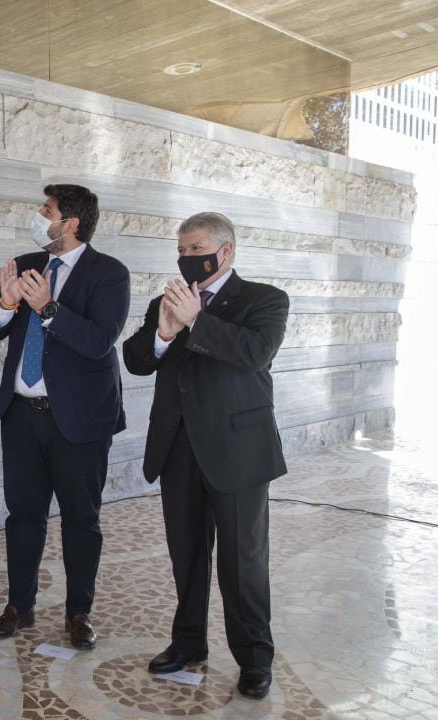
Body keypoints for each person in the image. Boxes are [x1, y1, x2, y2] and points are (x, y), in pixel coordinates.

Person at [121, 212, 289, 700]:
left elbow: (255, 352)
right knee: (187, 555)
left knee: (243, 562)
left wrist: (197, 319)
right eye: (182, 249)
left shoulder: (264, 299)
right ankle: (188, 642)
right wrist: (165, 330)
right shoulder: (165, 301)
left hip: (238, 451)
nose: (187, 258)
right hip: (178, 449)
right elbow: (135, 360)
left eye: (197, 249)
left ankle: (255, 658)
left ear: (226, 251)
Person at [0, 184, 130, 649]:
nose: (38, 215)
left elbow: (98, 341)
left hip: (80, 421)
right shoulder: (28, 263)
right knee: (23, 515)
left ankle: (79, 612)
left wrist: (46, 307)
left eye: (46, 210)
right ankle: (19, 606)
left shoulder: (109, 273)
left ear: (70, 224)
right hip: (22, 415)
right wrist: (7, 303)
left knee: (81, 520)